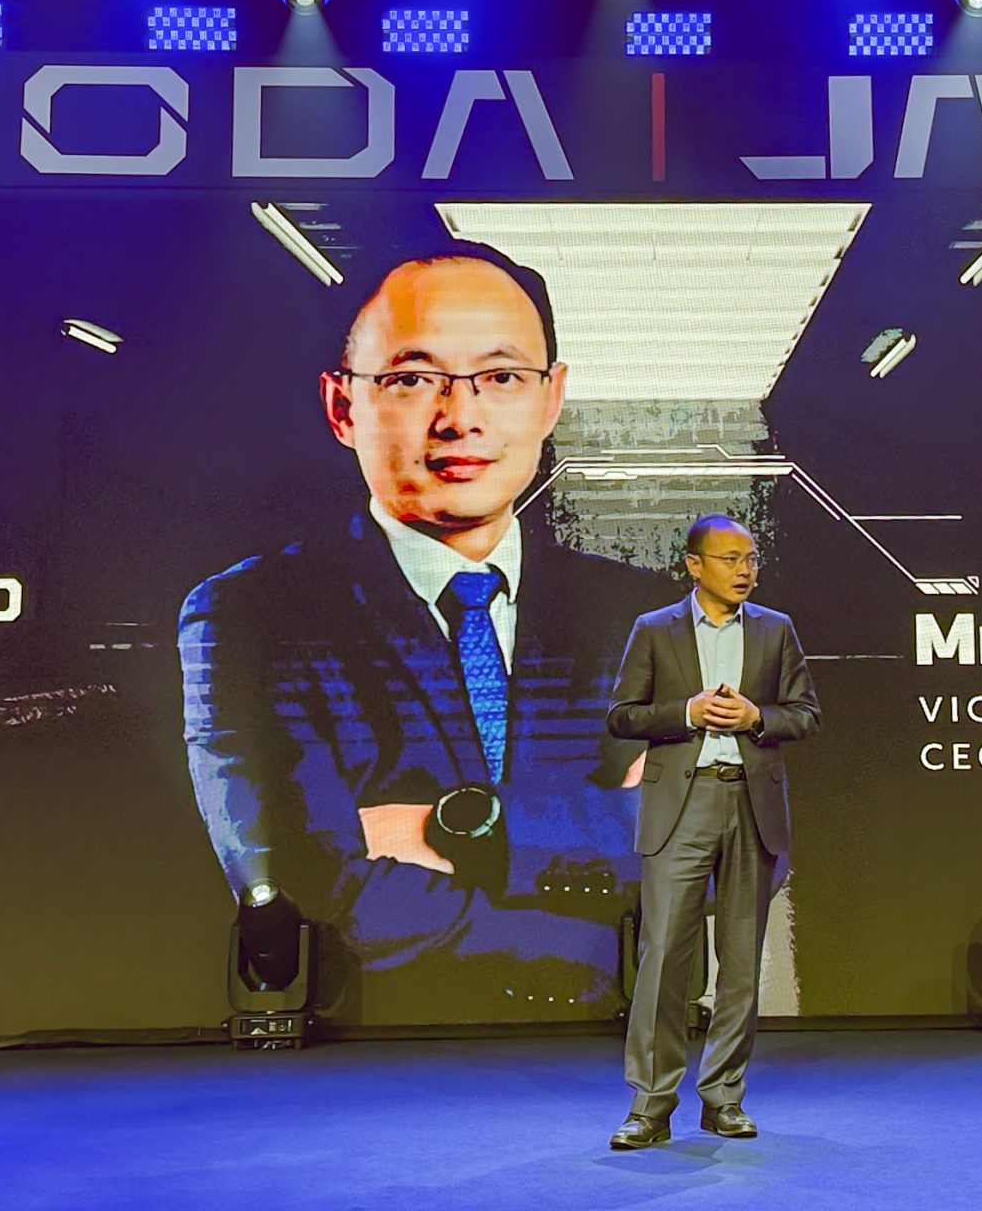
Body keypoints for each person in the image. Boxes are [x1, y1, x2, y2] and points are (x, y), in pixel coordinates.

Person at [179, 244, 666, 1019]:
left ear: (551, 400)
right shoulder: (249, 616)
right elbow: (318, 887)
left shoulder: (650, 618)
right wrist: (599, 918)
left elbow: (722, 850)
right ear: (342, 407)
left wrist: (466, 830)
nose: (460, 417)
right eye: (411, 379)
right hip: (377, 1053)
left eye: (502, 377)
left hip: (612, 1052)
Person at [606, 515, 819, 1149]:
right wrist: (687, 712)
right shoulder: (655, 629)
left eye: (750, 559)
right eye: (730, 559)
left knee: (741, 961)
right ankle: (650, 1104)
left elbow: (806, 715)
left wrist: (756, 717)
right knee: (664, 956)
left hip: (752, 803)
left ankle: (724, 1096)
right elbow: (622, 715)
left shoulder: (776, 630)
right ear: (694, 566)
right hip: (681, 803)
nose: (745, 570)